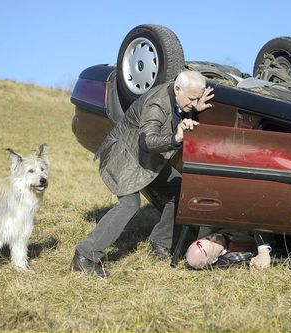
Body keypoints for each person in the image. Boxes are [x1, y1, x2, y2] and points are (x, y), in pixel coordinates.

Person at [72, 71, 214, 278]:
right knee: (129, 205)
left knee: (179, 191)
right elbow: (147, 140)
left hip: (146, 161)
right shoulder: (157, 103)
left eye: (197, 98)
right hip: (125, 158)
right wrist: (175, 138)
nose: (194, 102)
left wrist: (194, 110)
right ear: (177, 89)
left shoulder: (178, 98)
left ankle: (159, 245)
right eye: (192, 99)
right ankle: (85, 255)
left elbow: (177, 114)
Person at [186, 230, 273, 269]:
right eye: (212, 244)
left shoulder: (218, 228)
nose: (213, 237)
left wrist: (263, 251)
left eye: (207, 238)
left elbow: (257, 225)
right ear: (213, 260)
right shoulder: (228, 261)